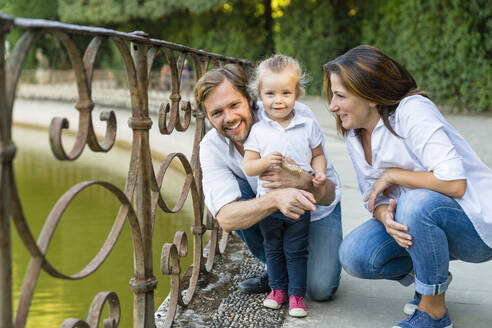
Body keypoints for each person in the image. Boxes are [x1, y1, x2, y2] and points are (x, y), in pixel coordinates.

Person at [323, 45, 492, 328]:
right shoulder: (355, 133)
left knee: (415, 204)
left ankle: (434, 313)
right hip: (417, 225)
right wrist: (385, 218)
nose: (331, 106)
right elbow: (371, 195)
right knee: (355, 255)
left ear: (371, 95)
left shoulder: (413, 111)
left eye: (340, 96)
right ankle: (429, 276)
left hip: (475, 223)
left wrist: (392, 175)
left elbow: (454, 183)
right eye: (332, 96)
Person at [194, 63, 343, 305]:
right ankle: (278, 274)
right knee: (235, 196)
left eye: (234, 105)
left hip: (317, 210)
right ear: (208, 117)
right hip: (273, 214)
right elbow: (226, 218)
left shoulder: (292, 113)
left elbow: (327, 195)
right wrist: (274, 199)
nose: (229, 118)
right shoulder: (212, 146)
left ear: (250, 99)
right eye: (217, 113)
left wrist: (303, 180)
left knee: (320, 289)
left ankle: (292, 268)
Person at [242, 55, 327, 317]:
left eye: (286, 93)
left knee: (296, 249)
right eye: (270, 94)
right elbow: (249, 166)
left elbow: (318, 154)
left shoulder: (307, 125)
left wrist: (320, 173)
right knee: (273, 248)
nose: (278, 100)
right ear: (259, 95)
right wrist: (266, 160)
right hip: (269, 203)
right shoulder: (258, 131)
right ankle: (277, 290)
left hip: (300, 202)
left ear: (297, 94)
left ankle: (297, 296)